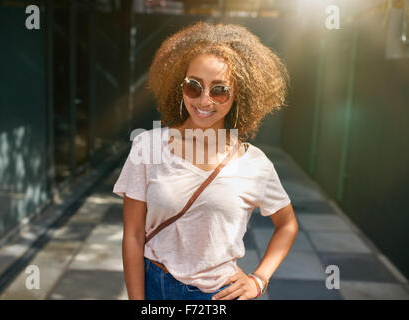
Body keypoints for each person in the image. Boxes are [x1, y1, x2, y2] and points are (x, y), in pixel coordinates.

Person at [113, 21, 299, 300]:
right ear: (181, 86)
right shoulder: (148, 146)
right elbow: (133, 235)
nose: (204, 100)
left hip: (219, 295)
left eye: (219, 90)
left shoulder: (255, 165)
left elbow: (287, 225)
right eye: (194, 86)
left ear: (238, 94)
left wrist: (259, 280)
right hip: (156, 287)